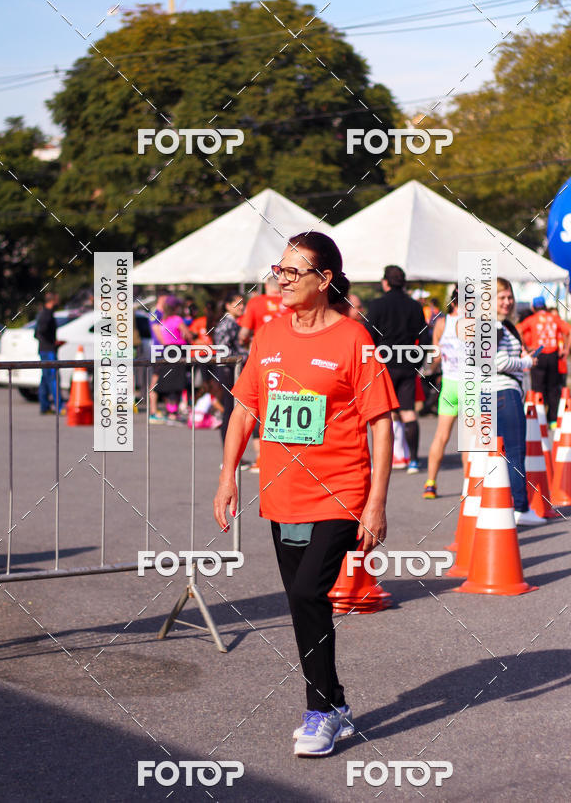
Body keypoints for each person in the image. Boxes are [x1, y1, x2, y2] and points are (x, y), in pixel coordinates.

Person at [213, 231, 397, 757]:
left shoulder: (353, 339)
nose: (282, 279)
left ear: (325, 280)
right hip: (281, 492)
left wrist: (376, 502)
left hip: (340, 491)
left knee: (306, 594)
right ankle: (335, 702)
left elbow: (380, 423)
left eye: (294, 272)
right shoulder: (270, 333)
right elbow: (245, 408)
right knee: (303, 607)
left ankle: (319, 712)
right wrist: (228, 475)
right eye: (280, 269)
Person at [366, 265, 427, 473]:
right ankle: (413, 460)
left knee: (383, 414)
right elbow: (425, 337)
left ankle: (384, 461)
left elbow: (368, 337)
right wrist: (418, 361)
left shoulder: (377, 305)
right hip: (409, 364)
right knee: (408, 412)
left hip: (384, 364)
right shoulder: (415, 306)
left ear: (385, 282)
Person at [496, 278, 546, 526]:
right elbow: (500, 362)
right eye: (501, 297)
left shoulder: (497, 326)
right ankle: (521, 507)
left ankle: (504, 505)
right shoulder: (494, 326)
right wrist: (526, 362)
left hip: (492, 394)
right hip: (504, 392)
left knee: (499, 454)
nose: (507, 302)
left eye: (509, 297)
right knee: (515, 452)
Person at [238, 278, 290, 471]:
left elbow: (244, 333)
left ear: (267, 287)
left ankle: (261, 457)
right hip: (289, 360)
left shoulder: (255, 303)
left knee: (256, 408)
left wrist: (245, 342)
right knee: (285, 404)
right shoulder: (290, 302)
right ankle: (284, 453)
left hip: (262, 360)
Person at [423, 288, 467, 498]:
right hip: (470, 385)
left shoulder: (442, 323)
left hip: (449, 384)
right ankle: (468, 487)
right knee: (468, 440)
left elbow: (436, 356)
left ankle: (430, 483)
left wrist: (429, 371)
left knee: (441, 436)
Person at [517, 296, 571, 427]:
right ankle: (553, 420)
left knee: (537, 387)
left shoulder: (531, 319)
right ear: (546, 307)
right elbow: (570, 331)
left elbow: (518, 329)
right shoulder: (554, 318)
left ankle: (538, 419)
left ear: (533, 308)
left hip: (538, 354)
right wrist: (566, 349)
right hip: (553, 355)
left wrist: (524, 346)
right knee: (553, 387)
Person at [212, 291, 248, 448]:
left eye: (243, 304)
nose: (242, 307)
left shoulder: (226, 323)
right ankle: (229, 451)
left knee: (230, 409)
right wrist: (248, 355)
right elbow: (228, 350)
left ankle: (230, 452)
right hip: (229, 369)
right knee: (231, 410)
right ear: (228, 306)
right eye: (238, 304)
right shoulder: (229, 323)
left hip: (225, 368)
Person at [149, 295, 192, 423]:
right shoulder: (177, 319)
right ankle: (173, 412)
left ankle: (169, 410)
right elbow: (188, 335)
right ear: (176, 308)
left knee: (167, 381)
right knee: (177, 382)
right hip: (178, 351)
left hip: (167, 351)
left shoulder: (163, 320)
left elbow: (162, 338)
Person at [35, 291, 64, 414]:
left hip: (44, 349)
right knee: (53, 378)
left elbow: (37, 333)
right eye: (57, 299)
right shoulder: (46, 315)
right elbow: (40, 332)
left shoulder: (44, 313)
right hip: (48, 350)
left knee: (45, 379)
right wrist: (53, 342)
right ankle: (59, 406)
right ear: (52, 300)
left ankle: (44, 406)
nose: (58, 301)